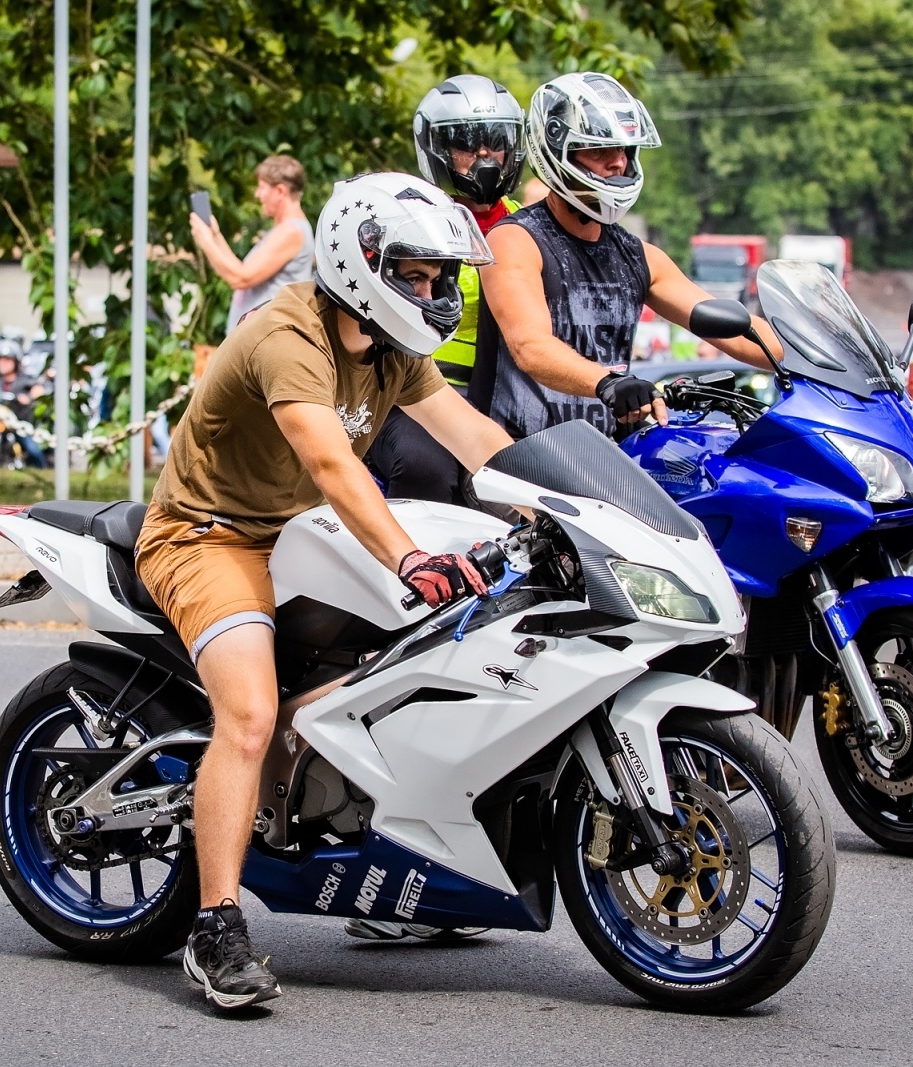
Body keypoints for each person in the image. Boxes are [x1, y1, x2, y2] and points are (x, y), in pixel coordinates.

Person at [135, 173, 513, 1011]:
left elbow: (477, 438)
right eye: (411, 275)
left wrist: (568, 504)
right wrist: (411, 557)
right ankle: (216, 925)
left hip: (301, 537)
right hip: (208, 534)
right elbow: (331, 463)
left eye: (435, 277)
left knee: (428, 653)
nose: (429, 292)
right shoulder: (288, 334)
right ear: (358, 262)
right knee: (251, 713)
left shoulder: (391, 350)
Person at [475, 72, 781, 441]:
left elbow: (736, 328)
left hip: (611, 460)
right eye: (599, 150)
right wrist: (607, 382)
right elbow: (530, 347)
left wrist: (811, 357)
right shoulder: (515, 240)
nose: (617, 163)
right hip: (520, 462)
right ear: (558, 152)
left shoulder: (638, 256)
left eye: (624, 150)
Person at [364, 74, 526, 510]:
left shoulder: (531, 228)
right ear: (436, 150)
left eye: (496, 145)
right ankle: (412, 571)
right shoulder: (406, 218)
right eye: (467, 147)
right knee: (426, 469)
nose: (484, 158)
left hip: (508, 400)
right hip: (415, 393)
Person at [189, 155, 314, 334]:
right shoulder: (283, 230)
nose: (257, 194)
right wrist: (215, 236)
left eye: (261, 187)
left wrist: (206, 243)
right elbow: (241, 269)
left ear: (280, 191)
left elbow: (241, 279)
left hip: (266, 340)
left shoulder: (291, 232)